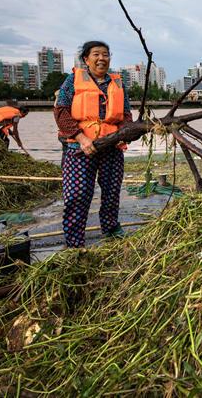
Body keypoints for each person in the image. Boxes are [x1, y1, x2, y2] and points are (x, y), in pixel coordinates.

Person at [54, 41, 132, 248]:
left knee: (111, 190)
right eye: (96, 54)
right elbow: (61, 111)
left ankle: (111, 227)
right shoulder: (73, 80)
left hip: (111, 146)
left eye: (105, 54)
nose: (101, 58)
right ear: (86, 59)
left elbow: (126, 115)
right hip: (79, 147)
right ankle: (75, 241)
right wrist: (81, 138)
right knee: (77, 194)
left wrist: (125, 132)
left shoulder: (118, 82)